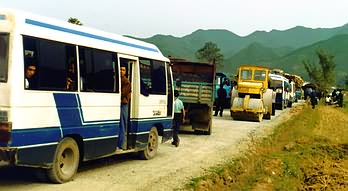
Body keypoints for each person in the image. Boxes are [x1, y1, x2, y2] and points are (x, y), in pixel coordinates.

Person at [118, 66, 131, 150]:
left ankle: (121, 145)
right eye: (120, 69)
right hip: (118, 104)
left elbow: (123, 93)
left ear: (125, 72)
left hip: (123, 104)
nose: (121, 71)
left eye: (123, 70)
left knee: (122, 125)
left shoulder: (126, 82)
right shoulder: (117, 79)